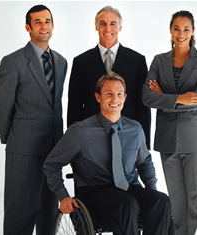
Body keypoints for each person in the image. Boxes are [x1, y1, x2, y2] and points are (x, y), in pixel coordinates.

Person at [44, 72, 174, 235]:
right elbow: (52, 164)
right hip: (95, 191)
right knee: (127, 203)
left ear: (125, 97)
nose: (115, 99)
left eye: (119, 94)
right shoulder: (80, 132)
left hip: (128, 188)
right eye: (109, 94)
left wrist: (151, 190)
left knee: (161, 201)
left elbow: (145, 162)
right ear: (98, 97)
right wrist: (62, 196)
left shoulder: (135, 129)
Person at [0, 5, 67, 235]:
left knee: (49, 216)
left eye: (47, 21)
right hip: (23, 150)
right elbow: (1, 104)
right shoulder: (13, 62)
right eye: (38, 22)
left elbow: (56, 107)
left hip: (53, 150)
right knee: (20, 215)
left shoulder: (61, 62)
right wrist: (12, 138)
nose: (44, 26)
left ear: (53, 25)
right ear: (28, 27)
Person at [142, 10, 197, 235]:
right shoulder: (158, 61)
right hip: (167, 138)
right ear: (170, 30)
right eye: (177, 28)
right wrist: (180, 98)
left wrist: (165, 97)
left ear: (193, 32)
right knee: (177, 204)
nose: (181, 34)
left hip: (195, 139)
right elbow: (146, 97)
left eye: (186, 29)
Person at [67, 5, 151, 149]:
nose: (108, 29)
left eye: (113, 24)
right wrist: (72, 147)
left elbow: (143, 107)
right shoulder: (81, 62)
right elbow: (74, 107)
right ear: (96, 27)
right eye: (103, 23)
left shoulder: (137, 61)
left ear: (120, 27)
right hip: (90, 138)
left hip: (127, 137)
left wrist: (144, 147)